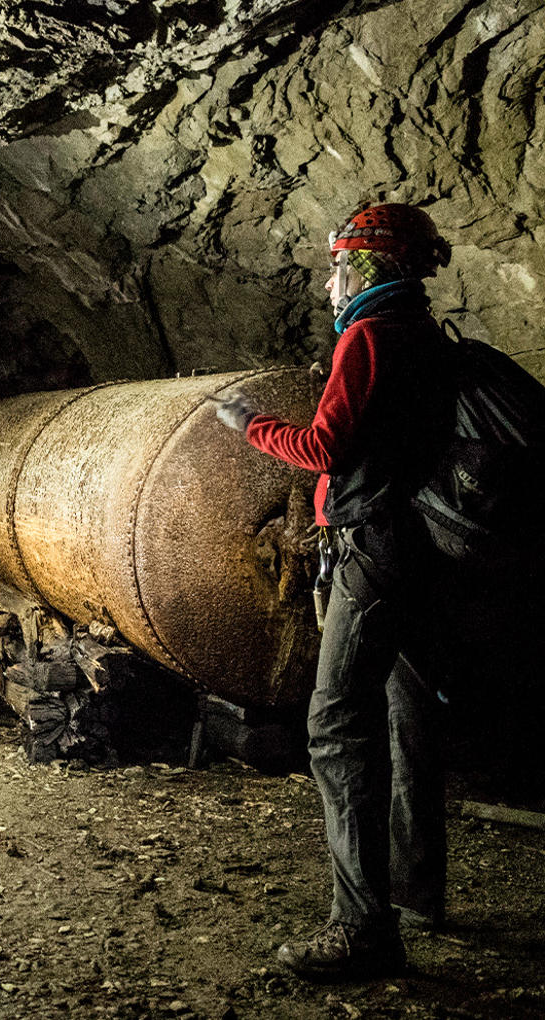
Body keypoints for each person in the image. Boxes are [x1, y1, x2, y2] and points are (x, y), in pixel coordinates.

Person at [214, 202, 457, 980]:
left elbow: (322, 448)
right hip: (422, 545)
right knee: (411, 714)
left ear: (368, 266)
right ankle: (420, 889)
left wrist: (249, 422)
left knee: (334, 724)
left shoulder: (368, 335)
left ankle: (363, 929)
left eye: (336, 266)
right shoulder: (425, 334)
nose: (329, 282)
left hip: (372, 549)